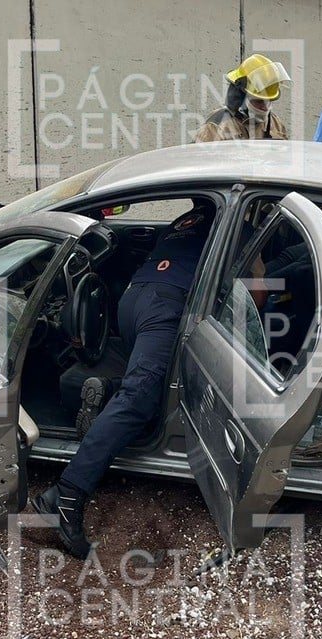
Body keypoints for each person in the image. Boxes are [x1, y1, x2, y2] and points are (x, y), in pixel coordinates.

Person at [32, 200, 216, 558]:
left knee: (154, 388)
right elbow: (256, 292)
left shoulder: (185, 221)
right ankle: (66, 495)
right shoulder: (239, 222)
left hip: (133, 301)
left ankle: (108, 394)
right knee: (139, 397)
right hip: (165, 305)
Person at [193, 54, 291, 142]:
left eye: (269, 101)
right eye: (259, 101)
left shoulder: (275, 124)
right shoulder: (216, 127)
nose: (265, 107)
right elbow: (201, 156)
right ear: (241, 98)